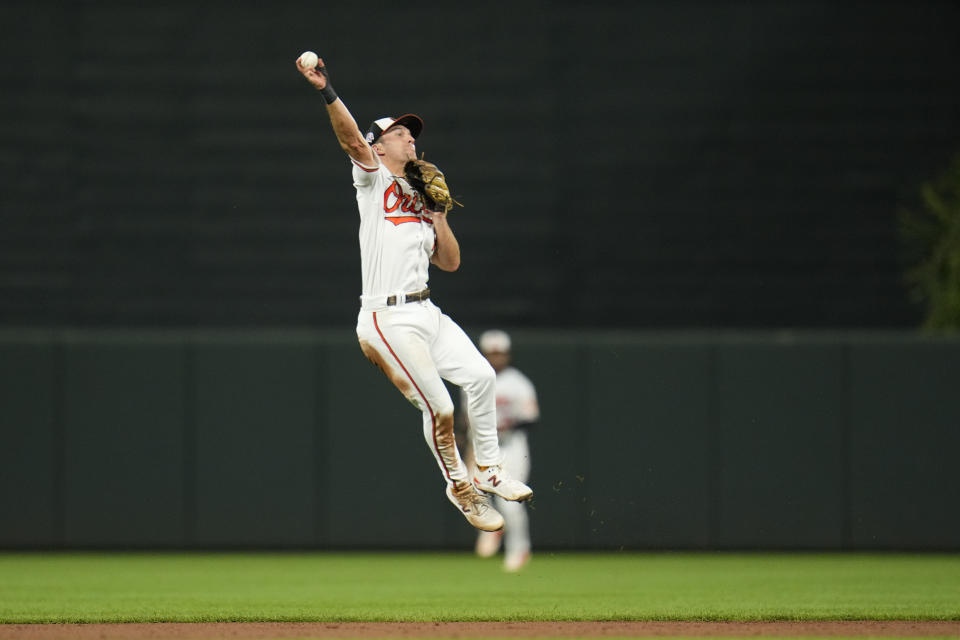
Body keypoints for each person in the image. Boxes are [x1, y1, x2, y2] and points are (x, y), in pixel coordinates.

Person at [294, 55, 532, 532]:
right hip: (386, 319)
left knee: (482, 378)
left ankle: (488, 469)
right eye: (400, 134)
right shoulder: (373, 179)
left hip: (426, 310)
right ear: (378, 147)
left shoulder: (423, 197)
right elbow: (348, 138)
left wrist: (439, 214)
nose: (410, 138)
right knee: (440, 407)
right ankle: (460, 487)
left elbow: (450, 263)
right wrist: (326, 91)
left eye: (411, 133)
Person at [460, 330, 539, 571]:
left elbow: (531, 418)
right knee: (470, 493)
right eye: (491, 353)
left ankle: (519, 549)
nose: (496, 358)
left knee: (510, 503)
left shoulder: (518, 382)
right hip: (481, 447)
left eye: (500, 353)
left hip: (510, 447)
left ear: (507, 354)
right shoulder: (473, 380)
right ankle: (494, 531)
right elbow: (466, 418)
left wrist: (506, 424)